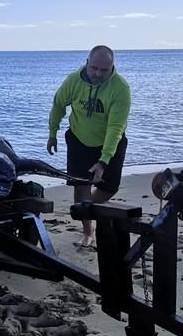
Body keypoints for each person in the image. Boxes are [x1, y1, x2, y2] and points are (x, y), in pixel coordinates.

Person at [47, 45, 131, 246]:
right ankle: (88, 232)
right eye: (94, 68)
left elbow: (115, 128)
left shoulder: (120, 88)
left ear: (112, 67)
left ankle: (85, 207)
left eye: (104, 70)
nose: (98, 74)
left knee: (110, 187)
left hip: (110, 141)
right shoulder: (73, 81)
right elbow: (58, 104)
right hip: (79, 139)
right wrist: (52, 133)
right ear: (87, 63)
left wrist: (103, 161)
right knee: (81, 185)